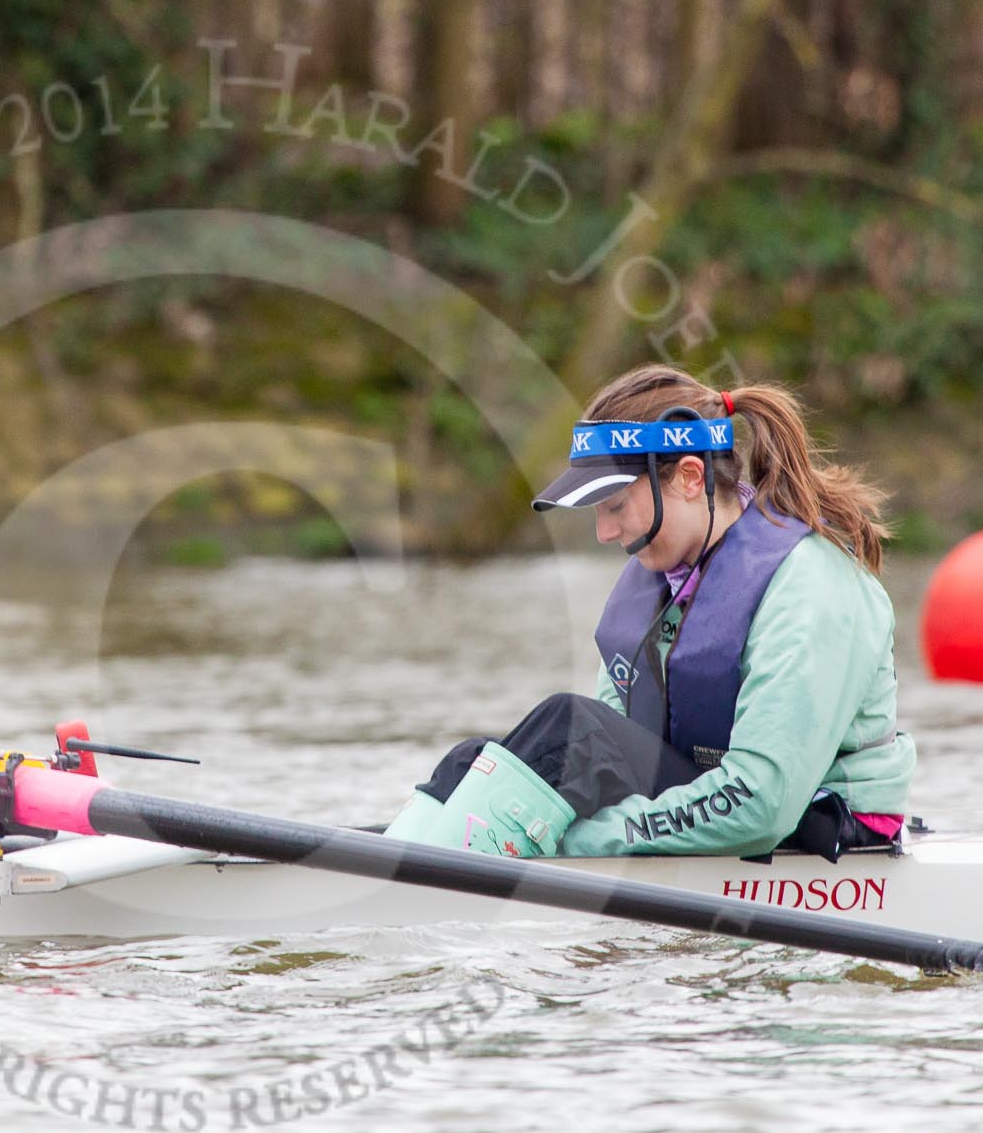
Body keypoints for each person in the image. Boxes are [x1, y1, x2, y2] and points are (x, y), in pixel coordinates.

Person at [384, 363, 914, 861]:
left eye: (615, 507)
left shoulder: (812, 585)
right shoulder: (665, 579)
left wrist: (577, 842)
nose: (605, 532)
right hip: (719, 803)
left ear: (688, 476)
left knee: (570, 729)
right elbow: (605, 757)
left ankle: (438, 887)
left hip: (822, 826)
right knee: (471, 762)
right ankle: (397, 871)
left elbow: (763, 804)